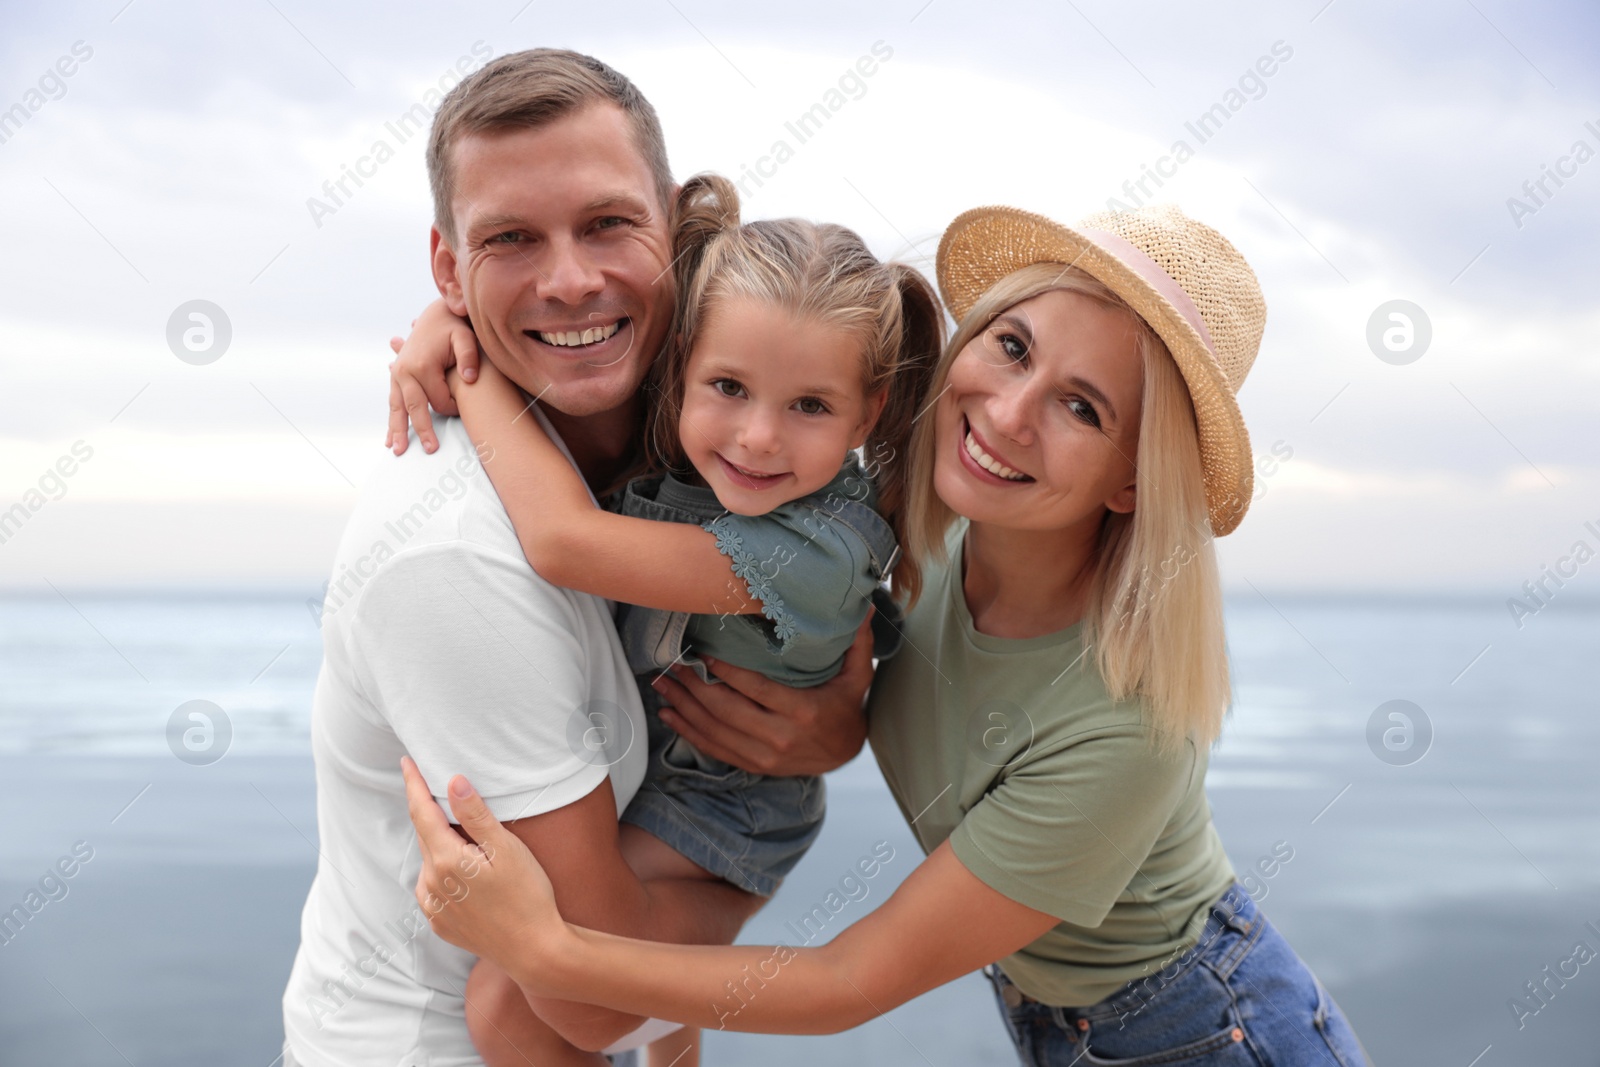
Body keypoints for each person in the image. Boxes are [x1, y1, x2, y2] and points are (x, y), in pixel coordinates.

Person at [400, 202, 1373, 1065]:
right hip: (1063, 1019)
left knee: (535, 999)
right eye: (1013, 347)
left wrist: (545, 949)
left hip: (1207, 1030)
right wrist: (834, 729)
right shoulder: (932, 545)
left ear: (1134, 480)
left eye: (1082, 406)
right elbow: (875, 677)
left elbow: (849, 981)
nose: (1009, 411)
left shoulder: (1126, 726)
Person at [280, 49, 873, 1067]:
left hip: (688, 851)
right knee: (522, 997)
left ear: (675, 231)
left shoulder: (720, 420)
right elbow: (590, 996)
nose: (568, 278)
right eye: (509, 239)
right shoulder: (451, 555)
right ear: (447, 267)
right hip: (434, 1043)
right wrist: (467, 363)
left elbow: (847, 595)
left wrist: (839, 718)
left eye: (606, 223)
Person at [426, 171, 940, 1065]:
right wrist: (447, 316)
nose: (756, 438)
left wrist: (465, 361)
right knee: (527, 1006)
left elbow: (562, 540)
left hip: (723, 809)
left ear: (874, 410)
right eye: (729, 386)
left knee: (539, 1007)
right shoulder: (707, 456)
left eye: (810, 406)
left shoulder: (815, 552)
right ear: (683, 367)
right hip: (663, 767)